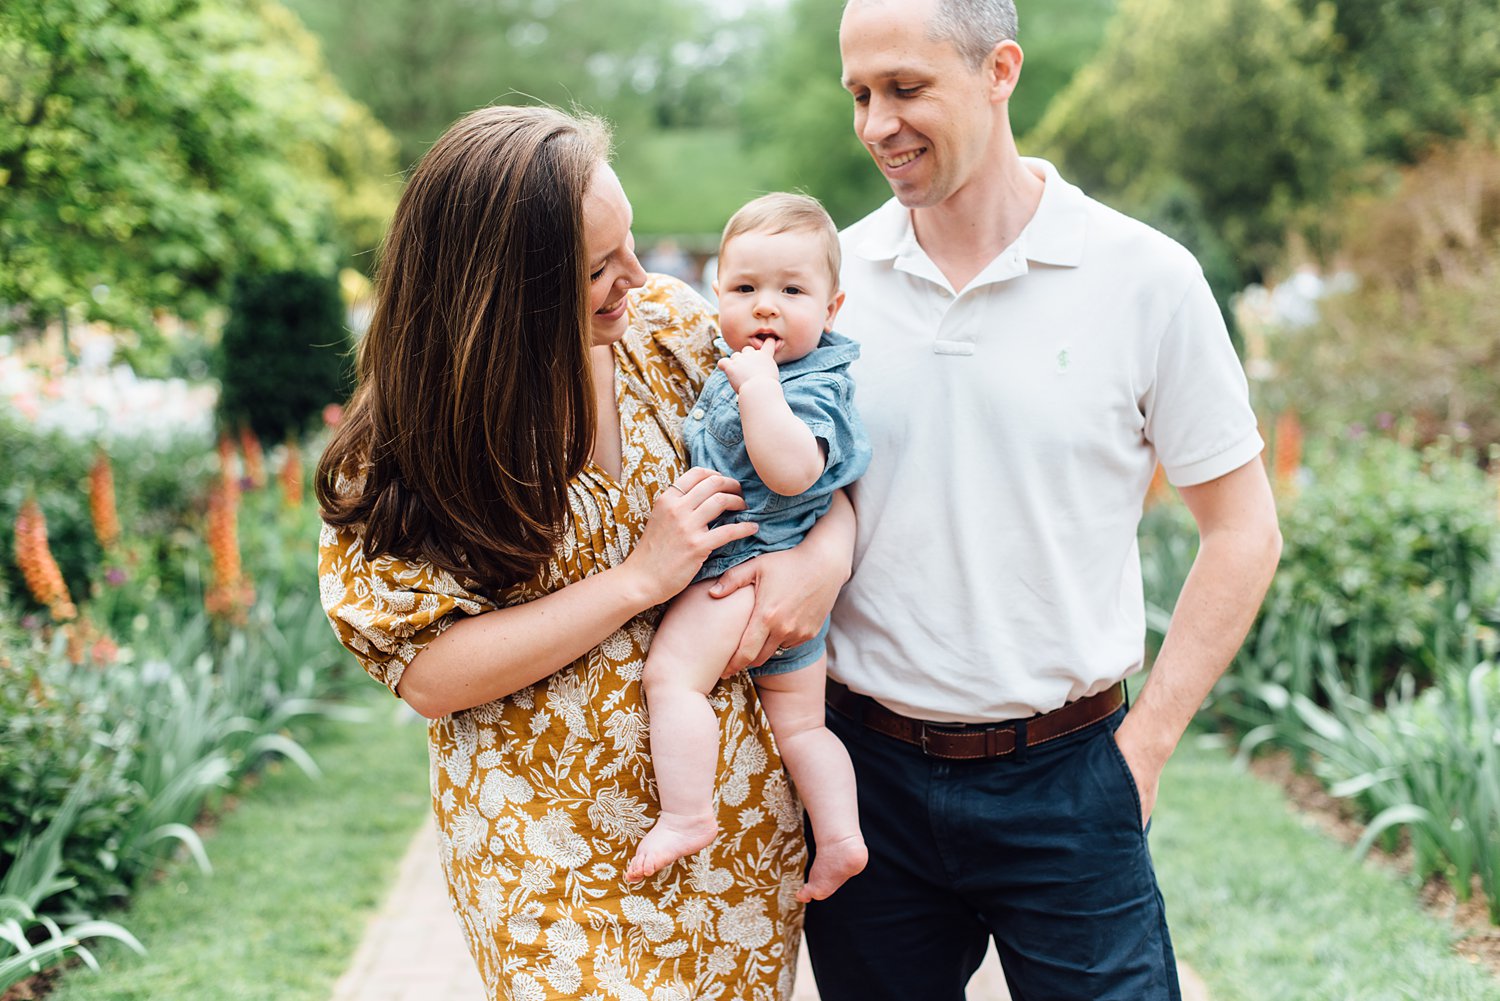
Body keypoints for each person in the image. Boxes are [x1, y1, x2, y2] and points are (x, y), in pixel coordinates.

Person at [315, 105, 856, 1001]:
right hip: (546, 859)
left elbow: (827, 463)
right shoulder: (410, 443)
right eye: (599, 268)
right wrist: (638, 580)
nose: (638, 278)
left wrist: (823, 559)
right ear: (504, 291)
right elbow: (428, 675)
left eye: (631, 242)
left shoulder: (673, 337)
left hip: (729, 844)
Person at [805, 2, 1284, 1000]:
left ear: (1001, 70)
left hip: (1070, 780)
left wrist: (1142, 748)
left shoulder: (1146, 279)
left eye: (905, 88)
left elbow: (1242, 530)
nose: (875, 124)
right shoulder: (831, 285)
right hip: (868, 781)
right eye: (858, 93)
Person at [626, 194, 872, 902]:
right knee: (800, 726)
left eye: (791, 290)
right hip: (794, 591)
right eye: (744, 289)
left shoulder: (810, 383)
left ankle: (686, 812)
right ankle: (842, 837)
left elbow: (795, 469)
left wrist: (762, 393)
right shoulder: (738, 361)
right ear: (716, 295)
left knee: (672, 678)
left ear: (832, 307)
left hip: (740, 577)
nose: (766, 307)